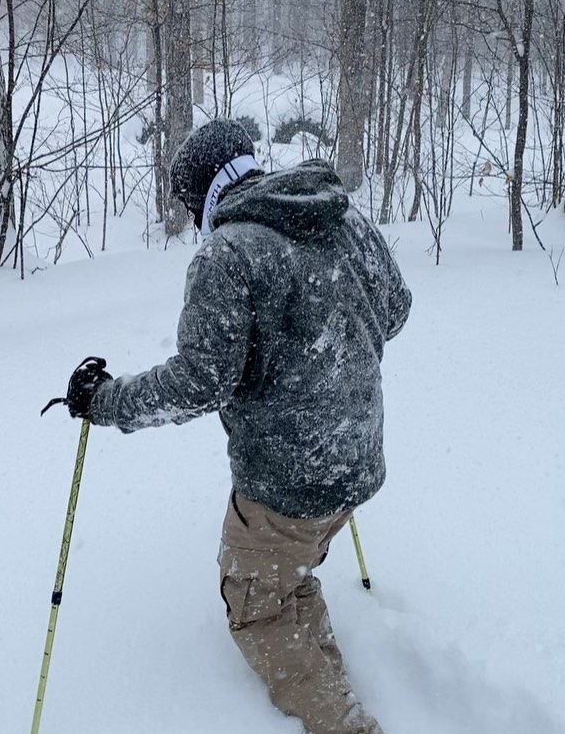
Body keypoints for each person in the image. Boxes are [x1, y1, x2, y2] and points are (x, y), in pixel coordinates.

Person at [63, 118, 412, 734]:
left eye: (189, 203)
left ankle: (343, 723)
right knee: (286, 571)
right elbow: (396, 307)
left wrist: (106, 402)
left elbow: (198, 384)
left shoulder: (229, 252)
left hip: (288, 480)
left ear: (204, 194)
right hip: (357, 458)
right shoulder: (338, 214)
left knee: (255, 607)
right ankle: (321, 660)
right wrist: (323, 342)